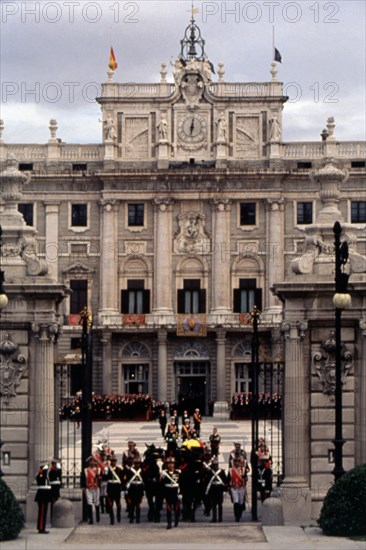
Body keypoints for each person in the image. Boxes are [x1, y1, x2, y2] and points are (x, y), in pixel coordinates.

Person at [160, 456, 181, 529]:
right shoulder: (164, 473)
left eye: (172, 463)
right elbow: (161, 484)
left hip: (175, 492)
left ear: (174, 464)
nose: (170, 465)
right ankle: (169, 523)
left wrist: (181, 493)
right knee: (168, 509)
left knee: (176, 508)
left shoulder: (178, 472)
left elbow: (181, 483)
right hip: (168, 492)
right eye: (169, 463)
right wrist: (161, 478)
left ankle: (176, 520)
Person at [80, 456, 102, 525]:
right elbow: (83, 479)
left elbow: (101, 477)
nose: (92, 463)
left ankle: (98, 517)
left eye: (93, 461)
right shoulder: (85, 470)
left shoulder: (98, 470)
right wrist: (83, 487)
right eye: (91, 461)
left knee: (96, 502)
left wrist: (99, 477)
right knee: (89, 502)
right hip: (88, 488)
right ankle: (91, 519)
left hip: (96, 487)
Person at [205, 458, 227, 523]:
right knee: (213, 505)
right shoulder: (210, 472)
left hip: (219, 489)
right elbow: (208, 481)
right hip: (213, 489)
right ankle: (214, 518)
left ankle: (220, 518)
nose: (215, 466)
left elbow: (225, 481)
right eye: (214, 465)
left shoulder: (221, 472)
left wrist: (224, 490)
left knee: (220, 504)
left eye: (216, 465)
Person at [104, 455, 124, 525]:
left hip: (117, 487)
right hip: (110, 488)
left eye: (114, 461)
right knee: (110, 504)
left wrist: (122, 488)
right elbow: (105, 478)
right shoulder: (108, 469)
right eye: (112, 461)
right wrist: (105, 473)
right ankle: (111, 519)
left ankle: (118, 515)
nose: (113, 462)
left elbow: (122, 479)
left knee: (118, 504)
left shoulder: (119, 469)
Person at [125, 457, 144, 523]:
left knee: (138, 505)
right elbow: (127, 480)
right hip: (132, 488)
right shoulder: (130, 471)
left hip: (139, 488)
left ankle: (138, 519)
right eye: (136, 463)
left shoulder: (141, 471)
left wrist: (142, 492)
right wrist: (127, 490)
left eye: (138, 463)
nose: (137, 465)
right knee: (132, 504)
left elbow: (143, 481)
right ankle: (131, 518)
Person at [35, 461, 52, 534]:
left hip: (45, 496)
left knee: (44, 512)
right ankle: (41, 528)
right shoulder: (41, 474)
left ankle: (42, 527)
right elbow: (41, 481)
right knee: (42, 513)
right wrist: (43, 472)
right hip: (42, 496)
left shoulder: (45, 474)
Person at [228, 456, 247, 522]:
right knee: (236, 502)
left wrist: (245, 479)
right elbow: (228, 479)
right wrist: (229, 487)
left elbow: (245, 478)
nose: (236, 463)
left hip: (241, 487)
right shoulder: (231, 470)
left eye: (238, 461)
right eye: (235, 461)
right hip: (234, 488)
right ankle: (237, 516)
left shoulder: (243, 470)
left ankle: (240, 513)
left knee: (241, 502)